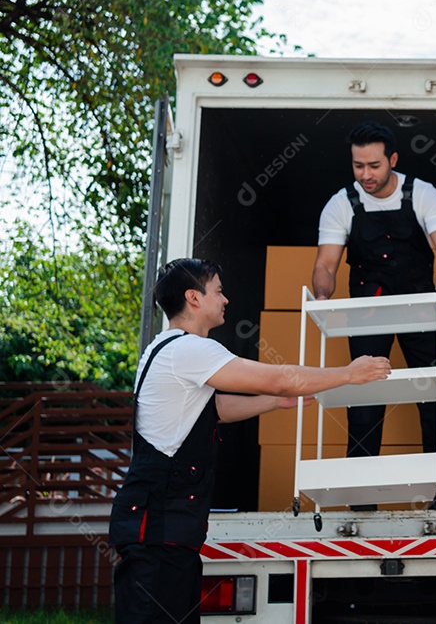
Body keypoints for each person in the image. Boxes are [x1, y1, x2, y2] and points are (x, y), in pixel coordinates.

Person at [109, 258, 390, 623]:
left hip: (165, 529)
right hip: (159, 529)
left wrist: (274, 403)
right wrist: (348, 374)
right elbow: (277, 377)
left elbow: (216, 409)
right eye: (219, 291)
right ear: (193, 298)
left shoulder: (166, 349)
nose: (225, 300)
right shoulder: (189, 349)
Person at [311, 120, 436, 509]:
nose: (366, 175)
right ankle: (361, 499)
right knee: (365, 399)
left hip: (421, 310)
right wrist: (323, 295)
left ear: (393, 160)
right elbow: (325, 264)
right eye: (358, 166)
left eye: (374, 165)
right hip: (367, 311)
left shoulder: (423, 194)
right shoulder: (341, 203)